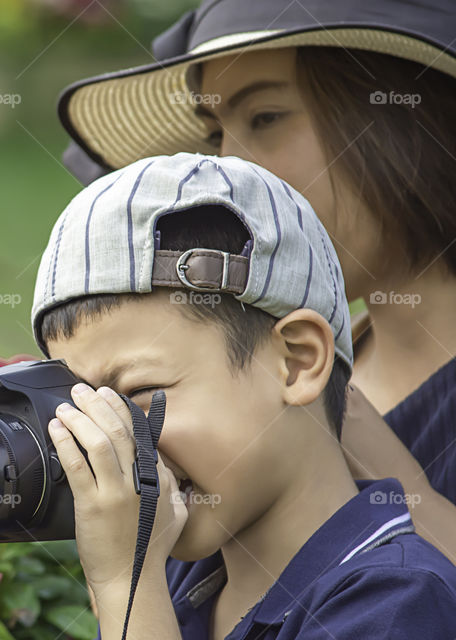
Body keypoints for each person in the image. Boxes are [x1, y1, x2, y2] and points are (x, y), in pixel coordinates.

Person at [0, 153, 456, 639]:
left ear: (296, 360)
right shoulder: (193, 576)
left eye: (140, 393)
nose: (108, 438)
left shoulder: (398, 601)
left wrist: (126, 584)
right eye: (79, 402)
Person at [57, 0, 456, 561]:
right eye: (216, 132)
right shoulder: (249, 373)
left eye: (265, 117)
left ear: (406, 114)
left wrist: (375, 463)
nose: (231, 168)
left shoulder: (296, 377)